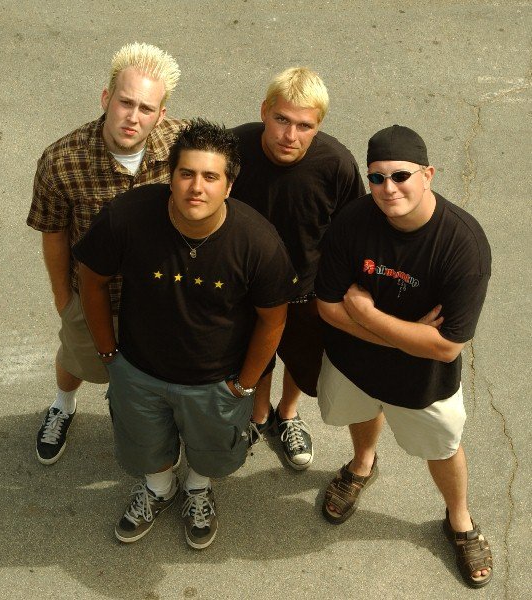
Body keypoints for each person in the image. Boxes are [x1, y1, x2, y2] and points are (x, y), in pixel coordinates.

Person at [73, 119, 298, 549]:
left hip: (217, 381)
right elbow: (91, 278)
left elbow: (273, 321)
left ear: (229, 186)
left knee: (211, 451)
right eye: (187, 173)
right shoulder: (127, 216)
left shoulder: (259, 243)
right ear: (170, 177)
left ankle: (197, 488)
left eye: (210, 177)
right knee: (143, 445)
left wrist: (244, 385)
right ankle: (159, 489)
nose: (197, 187)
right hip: (138, 370)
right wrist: (108, 354)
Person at [315, 125, 493, 588]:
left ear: (428, 175)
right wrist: (408, 336)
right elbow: (328, 308)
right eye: (376, 177)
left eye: (400, 175)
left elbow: (446, 346)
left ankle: (459, 519)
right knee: (361, 411)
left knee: (442, 447)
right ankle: (362, 464)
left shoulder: (462, 245)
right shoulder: (353, 222)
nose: (388, 188)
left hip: (424, 381)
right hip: (354, 364)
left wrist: (367, 315)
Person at [27, 42, 184, 465]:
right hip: (93, 295)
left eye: (146, 108)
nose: (133, 117)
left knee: (155, 373)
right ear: (106, 98)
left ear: (161, 115)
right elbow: (55, 234)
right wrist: (64, 299)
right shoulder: (62, 161)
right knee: (75, 357)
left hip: (160, 298)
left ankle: (146, 423)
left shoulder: (182, 148)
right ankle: (62, 405)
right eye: (125, 102)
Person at [230, 67, 365, 470]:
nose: (290, 135)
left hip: (307, 288)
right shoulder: (233, 148)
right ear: (264, 111)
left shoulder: (336, 163)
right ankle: (258, 415)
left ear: (318, 125)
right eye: (281, 120)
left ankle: (287, 413)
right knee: (255, 353)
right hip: (245, 286)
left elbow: (352, 231)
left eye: (305, 126)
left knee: (302, 360)